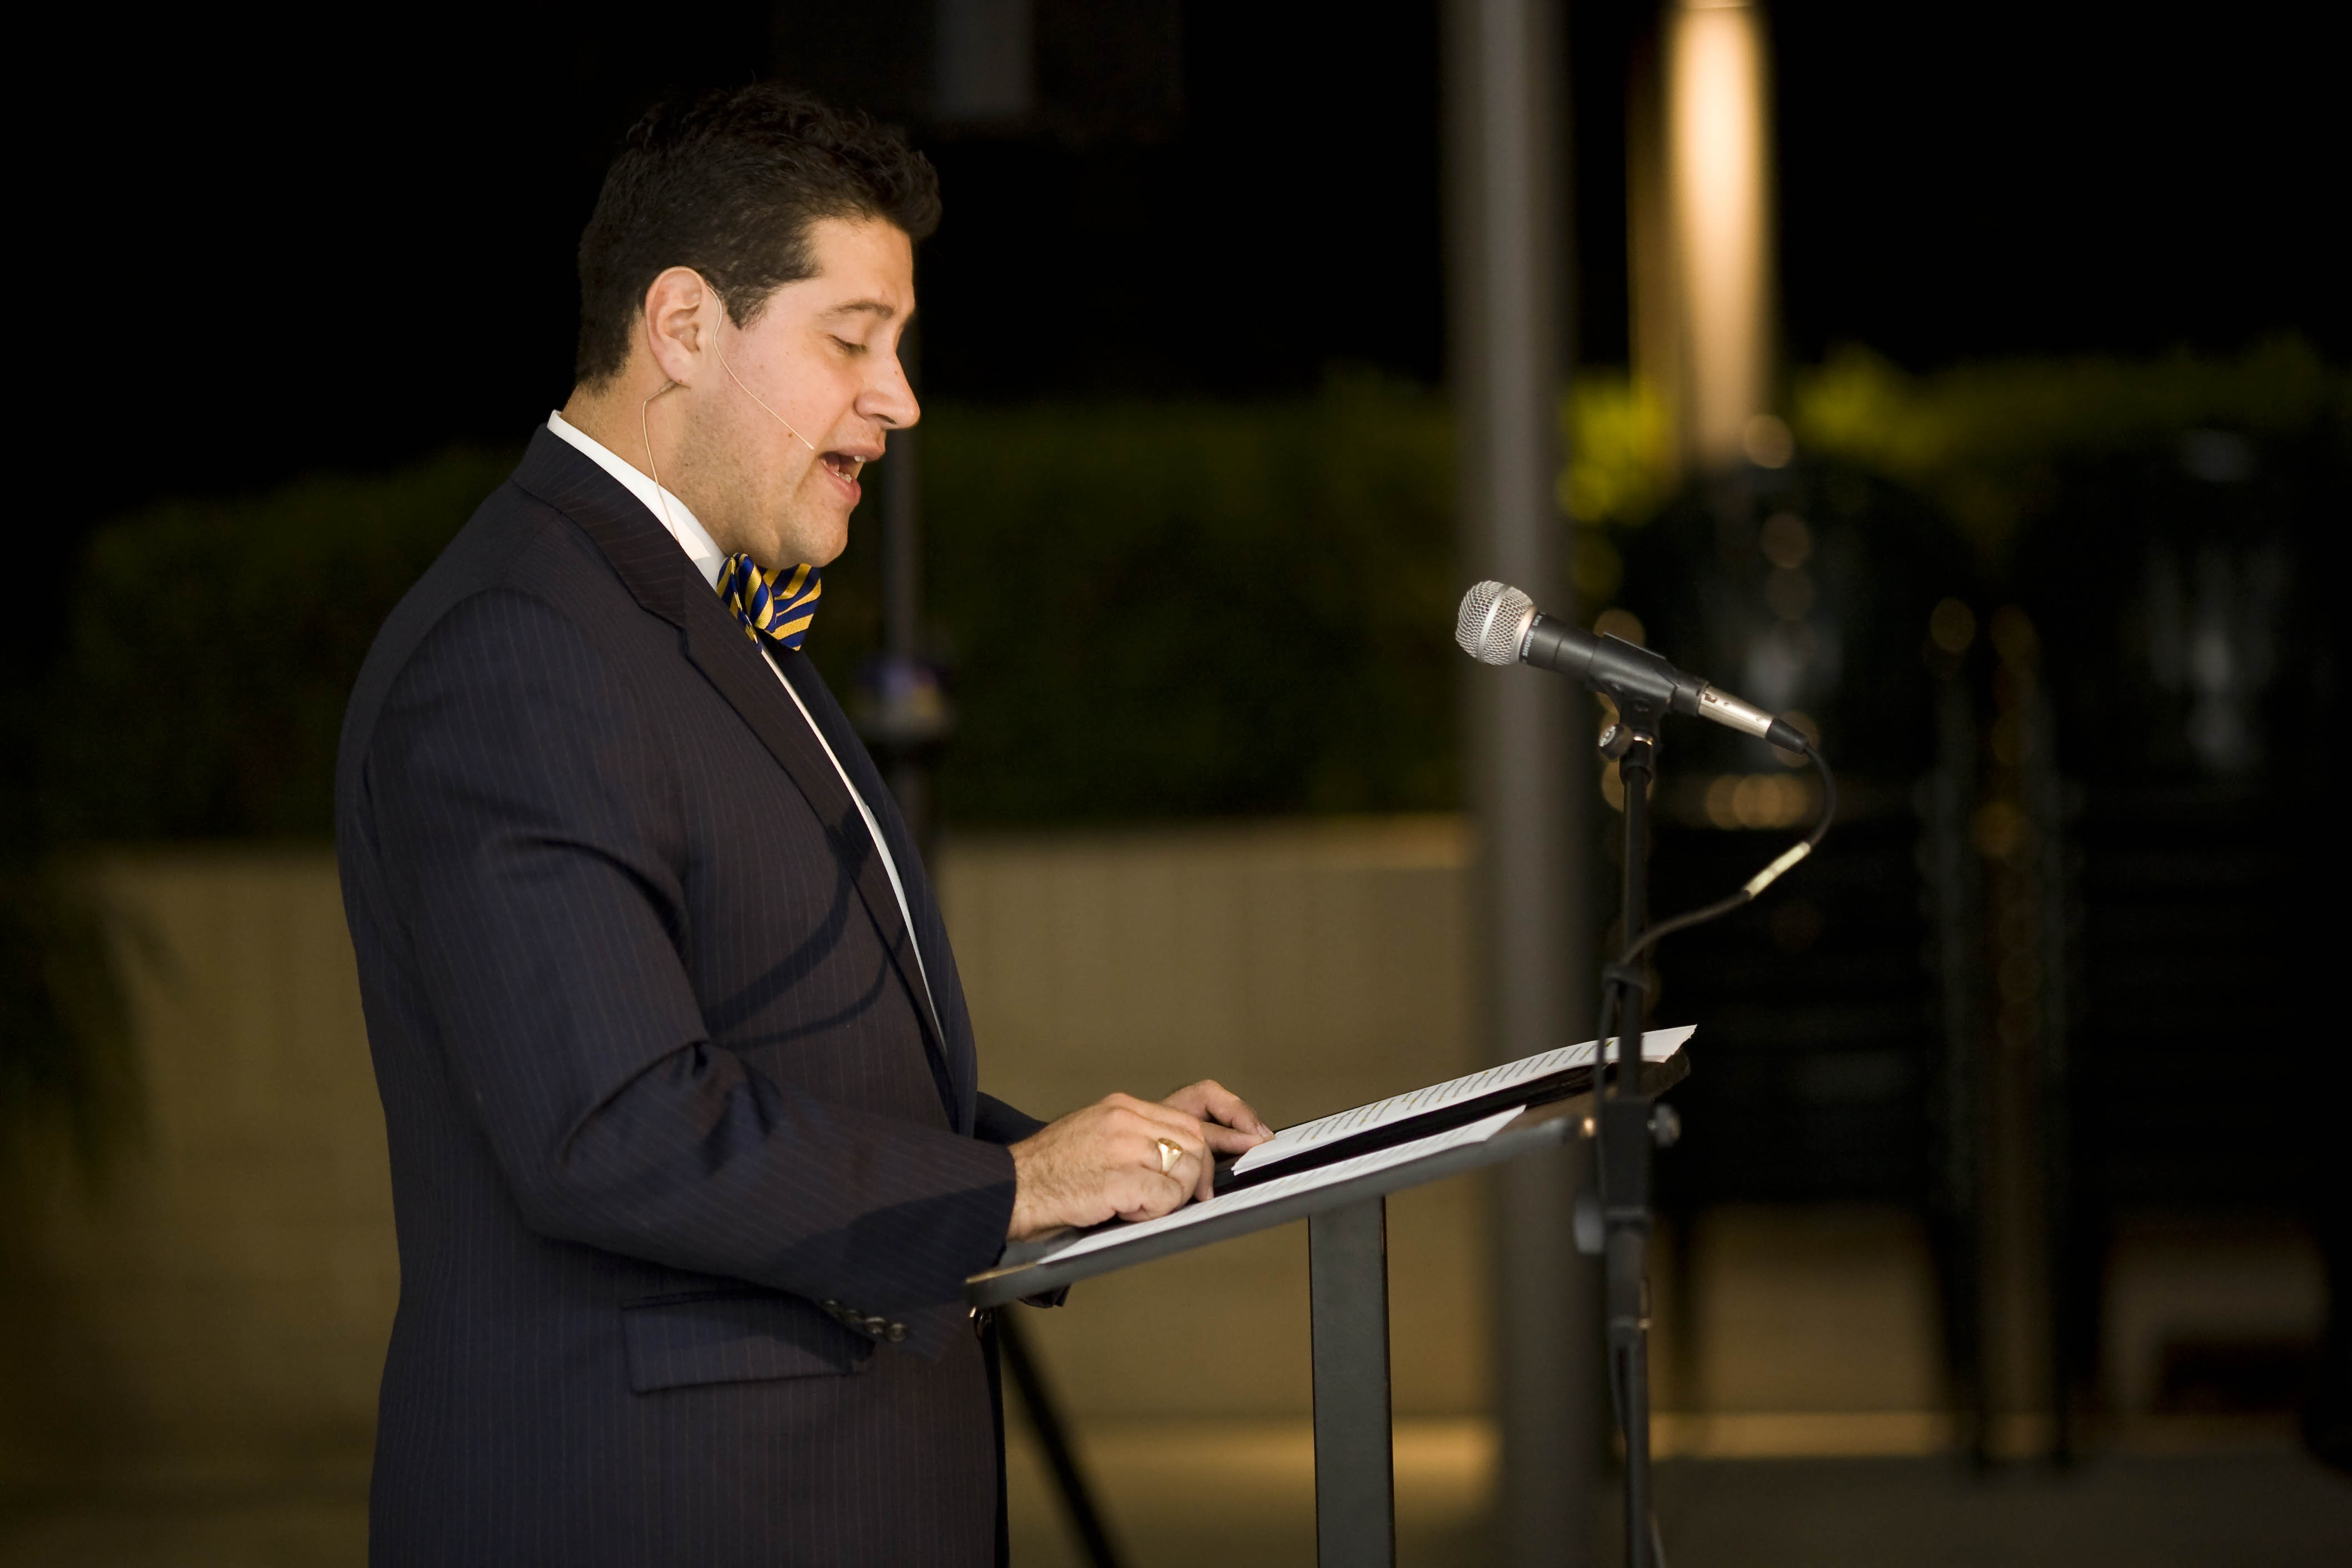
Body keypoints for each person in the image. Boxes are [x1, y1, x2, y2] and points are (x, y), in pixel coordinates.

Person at [335, 84, 1270, 1566]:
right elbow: (615, 1126)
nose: (899, 399)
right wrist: (1012, 1188)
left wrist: (1093, 1167)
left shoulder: (684, 612)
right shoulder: (521, 648)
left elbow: (769, 1065)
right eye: (852, 340)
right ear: (686, 325)